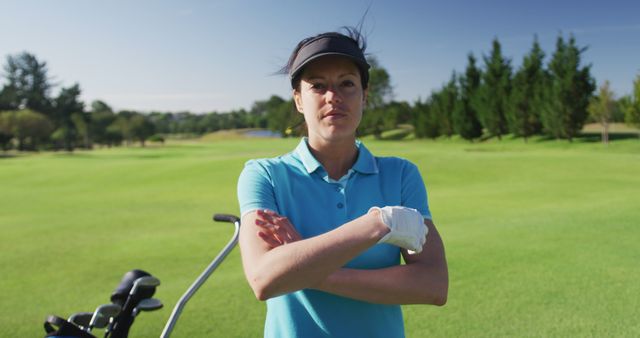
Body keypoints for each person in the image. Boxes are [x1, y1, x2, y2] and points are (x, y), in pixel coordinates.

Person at [236, 27, 448, 338]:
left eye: (347, 84)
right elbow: (264, 279)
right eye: (317, 86)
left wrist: (305, 268)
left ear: (364, 95)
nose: (333, 97)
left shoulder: (401, 175)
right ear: (298, 100)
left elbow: (433, 285)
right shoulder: (264, 175)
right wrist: (378, 224)